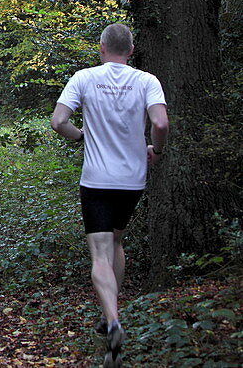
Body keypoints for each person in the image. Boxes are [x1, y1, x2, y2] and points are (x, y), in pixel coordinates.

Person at [50, 22, 169, 368]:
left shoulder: (85, 78)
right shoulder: (147, 81)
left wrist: (80, 136)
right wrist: (155, 151)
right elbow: (160, 124)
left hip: (97, 179)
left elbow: (58, 121)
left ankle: (112, 320)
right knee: (117, 242)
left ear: (101, 48)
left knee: (100, 252)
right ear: (131, 50)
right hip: (132, 180)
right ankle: (110, 315)